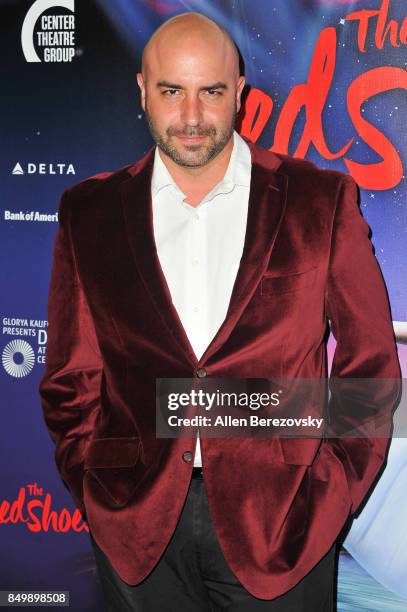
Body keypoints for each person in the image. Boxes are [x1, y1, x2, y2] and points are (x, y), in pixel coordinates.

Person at [39, 11, 400, 611]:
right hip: (136, 526)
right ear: (142, 90)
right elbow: (70, 377)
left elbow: (372, 367)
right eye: (171, 91)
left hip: (285, 526)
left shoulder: (320, 201)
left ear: (239, 92)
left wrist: (330, 494)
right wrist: (92, 482)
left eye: (210, 91)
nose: (190, 116)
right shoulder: (89, 212)